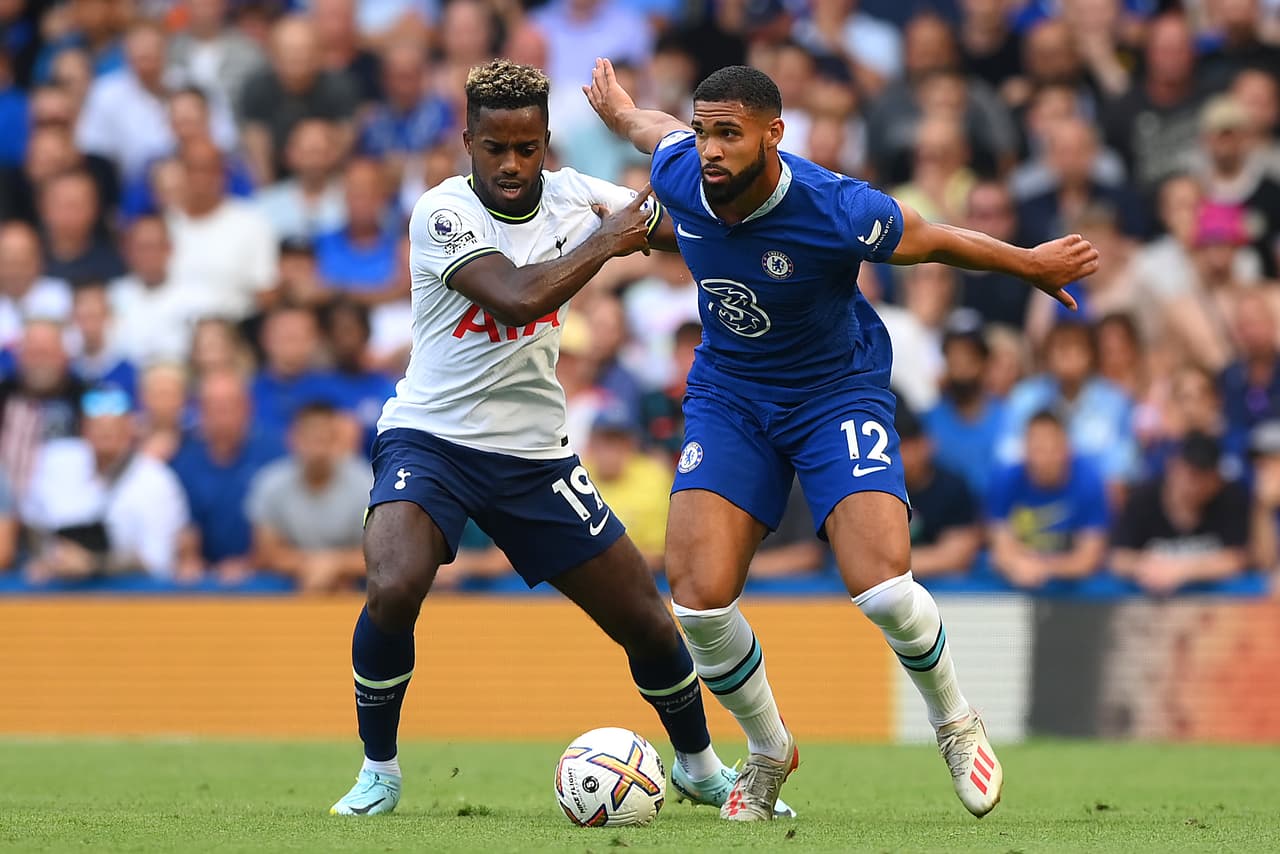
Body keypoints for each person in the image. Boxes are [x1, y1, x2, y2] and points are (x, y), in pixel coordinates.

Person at [587, 58, 1097, 820]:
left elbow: (932, 240)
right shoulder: (680, 170)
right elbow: (649, 129)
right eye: (704, 133)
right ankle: (767, 750)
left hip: (835, 393)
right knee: (696, 604)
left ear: (774, 135)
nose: (712, 150)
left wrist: (1029, 264)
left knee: (885, 588)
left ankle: (955, 722)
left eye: (730, 133)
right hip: (731, 396)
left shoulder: (835, 208)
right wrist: (622, 108)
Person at [329, 59, 780, 821]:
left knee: (645, 619)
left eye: (528, 148)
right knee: (394, 584)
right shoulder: (443, 215)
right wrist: (608, 242)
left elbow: (682, 229)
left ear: (547, 143)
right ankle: (379, 771)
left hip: (536, 456)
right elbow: (515, 298)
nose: (512, 165)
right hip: (431, 441)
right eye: (495, 148)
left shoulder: (578, 198)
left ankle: (700, 766)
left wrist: (749, 218)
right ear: (468, 141)